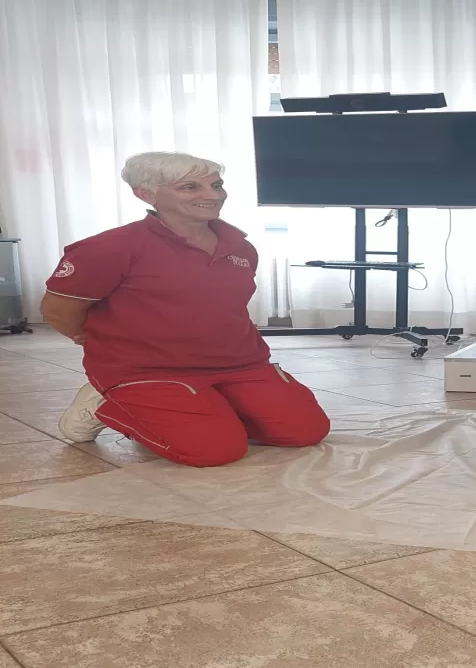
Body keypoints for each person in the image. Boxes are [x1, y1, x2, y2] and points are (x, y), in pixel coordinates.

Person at [40, 152, 330, 467]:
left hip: (240, 363)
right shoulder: (109, 248)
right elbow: (58, 309)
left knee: (305, 431)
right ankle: (105, 403)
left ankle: (207, 406)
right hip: (148, 370)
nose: (213, 195)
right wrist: (89, 337)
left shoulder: (241, 248)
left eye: (216, 185)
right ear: (146, 194)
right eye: (190, 187)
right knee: (215, 450)